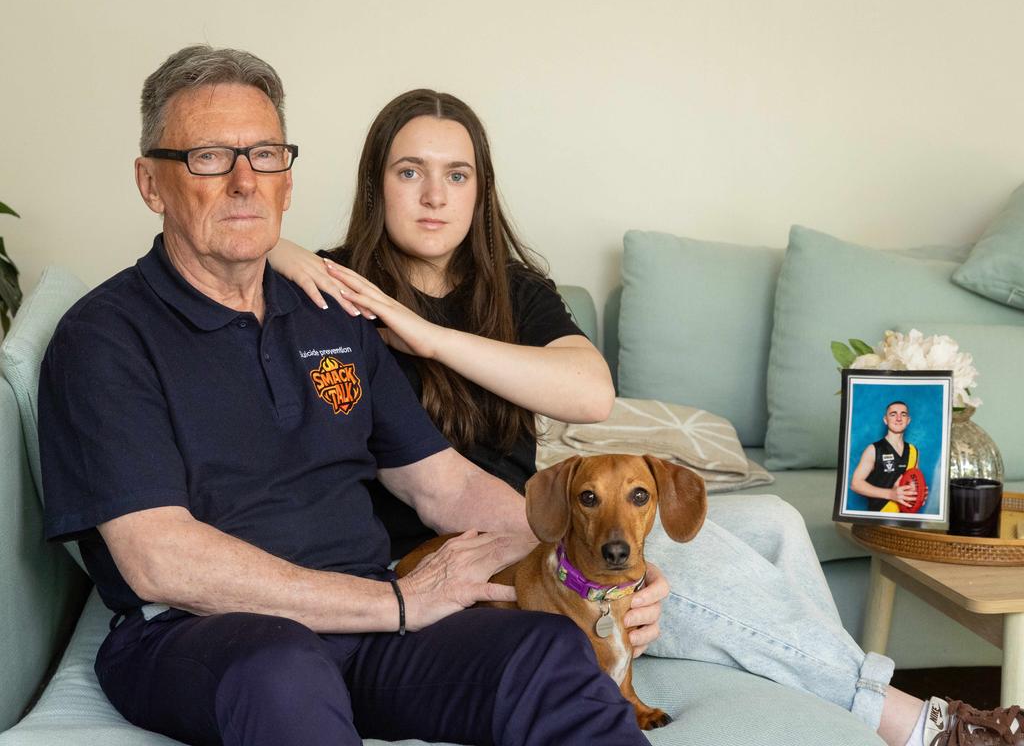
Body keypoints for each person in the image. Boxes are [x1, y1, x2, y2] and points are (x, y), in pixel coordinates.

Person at [268, 89, 1023, 746]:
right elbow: (235, 235)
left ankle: (828, 719)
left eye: (455, 175)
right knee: (657, 548)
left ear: (479, 189)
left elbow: (590, 393)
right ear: (377, 184)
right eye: (410, 172)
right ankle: (907, 721)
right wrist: (283, 251)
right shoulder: (336, 295)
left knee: (775, 525)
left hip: (532, 520)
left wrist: (429, 337)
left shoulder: (513, 290)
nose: (434, 196)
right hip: (460, 547)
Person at [37, 45, 653, 746]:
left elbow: (443, 486)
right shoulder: (104, 339)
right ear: (152, 184)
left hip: (369, 625)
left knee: (544, 654)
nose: (245, 182)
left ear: (288, 180)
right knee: (283, 672)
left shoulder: (332, 315)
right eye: (209, 157)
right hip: (204, 636)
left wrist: (597, 563)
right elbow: (160, 560)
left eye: (265, 155)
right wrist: (393, 600)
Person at [851, 401, 922, 512]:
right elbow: (856, 484)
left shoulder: (914, 451)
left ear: (908, 420)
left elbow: (911, 483)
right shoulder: (873, 449)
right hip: (879, 516)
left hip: (904, 517)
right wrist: (890, 494)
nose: (898, 418)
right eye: (893, 414)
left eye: (903, 414)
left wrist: (919, 493)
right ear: (885, 420)